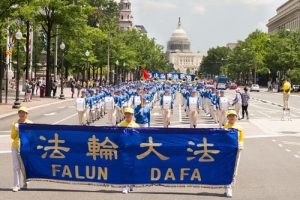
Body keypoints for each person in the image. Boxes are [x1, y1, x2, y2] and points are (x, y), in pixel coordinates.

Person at [117, 107, 139, 194]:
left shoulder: (136, 126)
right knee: (124, 167)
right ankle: (125, 186)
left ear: (132, 115)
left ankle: (130, 184)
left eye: (130, 114)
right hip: (124, 150)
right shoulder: (120, 125)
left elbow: (139, 139)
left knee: (132, 167)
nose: (128, 115)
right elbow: (117, 137)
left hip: (133, 150)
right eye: (126, 114)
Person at [10, 107, 32, 192]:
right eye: (20, 112)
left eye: (24, 113)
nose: (22, 114)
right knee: (16, 166)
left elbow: (32, 136)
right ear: (18, 114)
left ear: (27, 114)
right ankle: (16, 185)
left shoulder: (30, 123)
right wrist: (16, 130)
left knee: (24, 165)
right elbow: (12, 137)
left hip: (25, 147)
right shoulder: (14, 123)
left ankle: (25, 183)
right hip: (15, 146)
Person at [223, 110, 244, 198]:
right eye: (230, 116)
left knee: (234, 169)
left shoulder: (239, 128)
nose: (232, 117)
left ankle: (230, 185)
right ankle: (227, 187)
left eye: (233, 116)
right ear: (227, 117)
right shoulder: (224, 128)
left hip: (236, 150)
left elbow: (241, 139)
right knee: (227, 168)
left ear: (236, 117)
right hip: (227, 151)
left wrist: (240, 146)